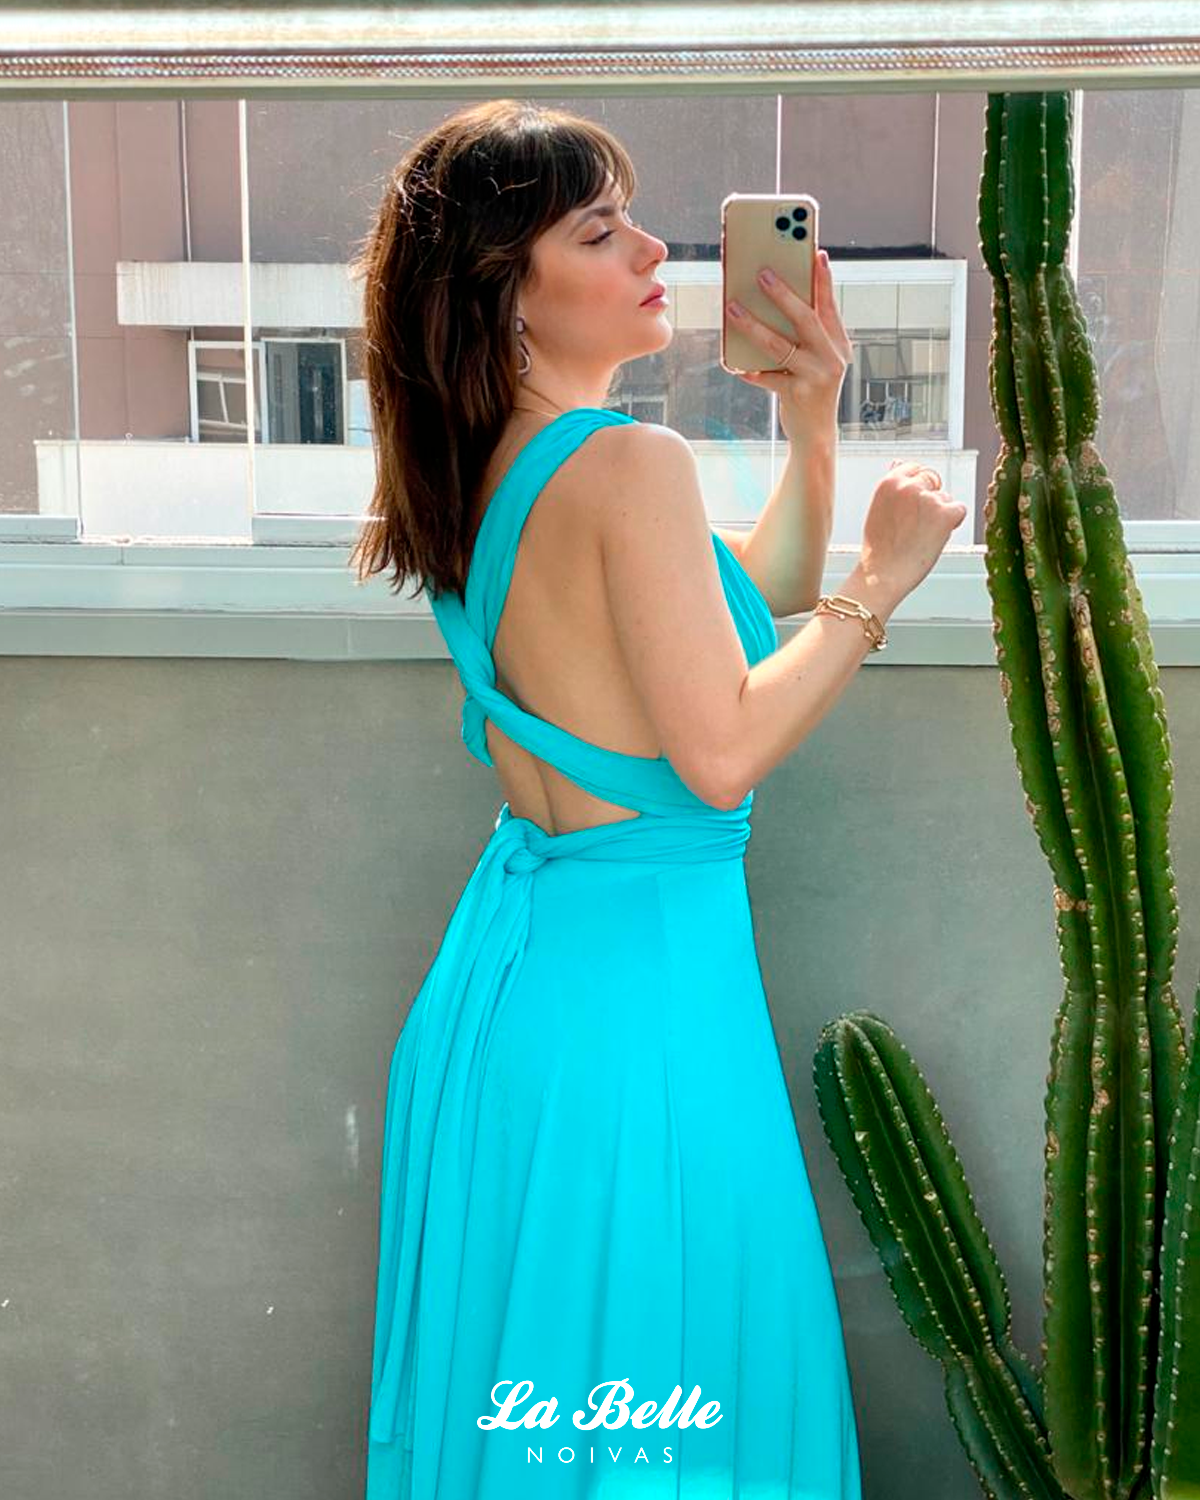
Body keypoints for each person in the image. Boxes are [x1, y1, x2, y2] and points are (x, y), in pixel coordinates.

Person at [348, 98, 966, 1500]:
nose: (651, 249)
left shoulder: (489, 468)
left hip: (522, 982)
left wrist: (810, 419)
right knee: (676, 1377)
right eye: (599, 230)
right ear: (505, 290)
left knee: (566, 1396)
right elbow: (722, 748)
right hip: (637, 1006)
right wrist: (885, 583)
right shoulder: (626, 464)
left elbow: (746, 601)